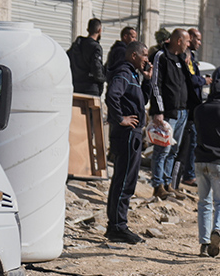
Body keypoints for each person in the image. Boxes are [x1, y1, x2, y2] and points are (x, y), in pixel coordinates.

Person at [104, 41, 149, 244]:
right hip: (128, 134)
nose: (147, 59)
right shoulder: (123, 73)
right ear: (133, 56)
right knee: (124, 181)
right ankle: (118, 226)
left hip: (132, 134)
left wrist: (147, 80)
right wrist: (121, 118)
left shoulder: (133, 75)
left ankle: (116, 224)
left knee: (124, 179)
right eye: (145, 55)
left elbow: (142, 100)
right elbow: (112, 95)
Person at [193, 78, 220, 258]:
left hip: (200, 160)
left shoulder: (199, 110)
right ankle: (217, 231)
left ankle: (204, 244)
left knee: (204, 202)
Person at [148, 28, 191, 199]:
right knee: (162, 150)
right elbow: (156, 84)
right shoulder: (161, 56)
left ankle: (167, 183)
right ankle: (158, 185)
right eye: (187, 42)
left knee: (173, 150)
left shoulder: (181, 59)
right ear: (179, 41)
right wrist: (158, 111)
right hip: (167, 113)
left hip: (182, 111)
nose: (189, 45)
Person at [173, 27, 211, 189]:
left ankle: (184, 175)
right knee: (186, 143)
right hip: (187, 107)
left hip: (192, 106)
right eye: (196, 39)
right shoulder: (185, 57)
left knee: (191, 141)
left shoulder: (191, 57)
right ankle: (186, 175)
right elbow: (191, 79)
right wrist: (204, 81)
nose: (199, 43)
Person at [67, 18, 106, 97]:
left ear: (88, 29)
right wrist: (103, 79)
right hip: (91, 89)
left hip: (76, 87)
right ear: (99, 30)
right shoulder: (96, 48)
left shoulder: (77, 45)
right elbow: (96, 68)